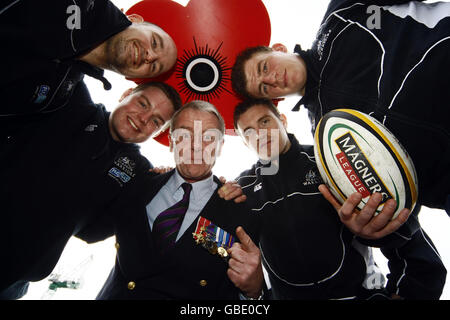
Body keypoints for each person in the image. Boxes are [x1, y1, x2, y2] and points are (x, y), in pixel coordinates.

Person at [231, 0, 450, 213]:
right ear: (274, 99)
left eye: (265, 67)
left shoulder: (341, 13)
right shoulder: (326, 142)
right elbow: (389, 205)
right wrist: (372, 227)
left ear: (278, 48)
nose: (272, 79)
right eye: (264, 88)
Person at [232, 98, 446, 299]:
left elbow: (404, 231)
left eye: (265, 121)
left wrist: (409, 292)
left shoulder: (330, 162)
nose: (259, 134)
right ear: (243, 142)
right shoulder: (241, 188)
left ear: (283, 120)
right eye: (249, 132)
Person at [0, 81, 182, 299]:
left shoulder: (139, 172)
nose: (143, 119)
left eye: (155, 121)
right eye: (143, 104)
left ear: (158, 132)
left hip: (14, 281)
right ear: (125, 94)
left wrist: (159, 184)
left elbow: (94, 232)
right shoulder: (71, 105)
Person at [77, 100, 262, 299]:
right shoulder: (137, 185)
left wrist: (253, 291)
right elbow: (88, 229)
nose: (196, 146)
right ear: (172, 143)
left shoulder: (241, 215)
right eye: (184, 135)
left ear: (220, 146)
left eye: (208, 137)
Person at [0, 0, 178, 117]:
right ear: (135, 19)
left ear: (132, 77)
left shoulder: (59, 97)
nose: (150, 55)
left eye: (154, 67)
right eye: (155, 42)